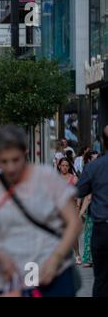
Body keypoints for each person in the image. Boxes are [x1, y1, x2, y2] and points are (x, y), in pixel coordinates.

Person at [0, 125, 82, 297]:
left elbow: (74, 223)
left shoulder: (46, 178)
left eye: (15, 160)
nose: (10, 168)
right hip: (10, 278)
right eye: (4, 161)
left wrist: (56, 257)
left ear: (25, 152)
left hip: (51, 272)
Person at [77, 125, 108, 297]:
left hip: (102, 229)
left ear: (102, 142)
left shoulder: (94, 167)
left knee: (102, 278)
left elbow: (78, 191)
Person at [57, 157, 82, 265]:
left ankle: (77, 254)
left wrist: (78, 206)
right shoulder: (55, 178)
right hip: (59, 209)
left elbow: (79, 194)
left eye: (67, 165)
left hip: (71, 209)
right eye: (63, 165)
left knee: (73, 233)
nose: (65, 167)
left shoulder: (74, 179)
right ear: (59, 166)